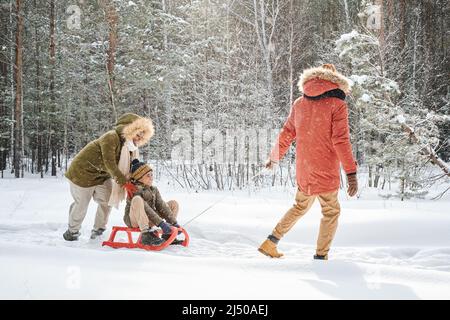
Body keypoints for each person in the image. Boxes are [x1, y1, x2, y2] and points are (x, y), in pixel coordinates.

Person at [258, 64, 358, 260]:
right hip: (325, 168)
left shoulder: (299, 103)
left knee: (300, 206)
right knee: (330, 211)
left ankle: (271, 242)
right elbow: (341, 140)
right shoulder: (337, 105)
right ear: (334, 81)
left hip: (305, 168)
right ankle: (321, 256)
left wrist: (275, 156)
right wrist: (351, 173)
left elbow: (287, 132)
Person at [63, 113, 154, 241]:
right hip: (82, 173)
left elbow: (133, 166)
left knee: (107, 200)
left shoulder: (130, 147)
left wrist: (137, 181)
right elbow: (109, 163)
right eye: (137, 134)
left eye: (142, 136)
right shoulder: (111, 137)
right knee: (81, 205)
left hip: (101, 176)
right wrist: (124, 183)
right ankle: (72, 232)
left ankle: (99, 229)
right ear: (129, 129)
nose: (139, 138)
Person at [123, 159, 181, 246]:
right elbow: (146, 208)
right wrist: (161, 223)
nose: (151, 177)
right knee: (137, 200)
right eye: (148, 175)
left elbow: (161, 205)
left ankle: (168, 235)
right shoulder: (134, 190)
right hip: (135, 220)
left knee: (173, 203)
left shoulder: (154, 189)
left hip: (150, 219)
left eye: (151, 175)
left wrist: (173, 222)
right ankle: (145, 235)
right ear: (139, 178)